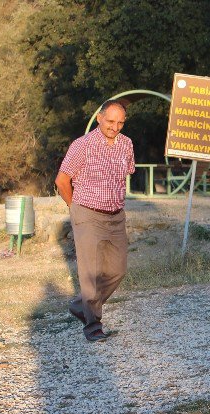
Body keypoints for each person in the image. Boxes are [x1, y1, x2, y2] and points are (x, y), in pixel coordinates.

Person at [55, 100, 135, 342]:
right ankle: (93, 325)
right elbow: (62, 181)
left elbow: (127, 173)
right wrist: (75, 209)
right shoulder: (82, 145)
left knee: (117, 271)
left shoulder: (127, 144)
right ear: (99, 118)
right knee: (90, 273)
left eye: (120, 122)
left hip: (115, 216)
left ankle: (82, 305)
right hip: (87, 214)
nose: (115, 126)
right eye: (111, 121)